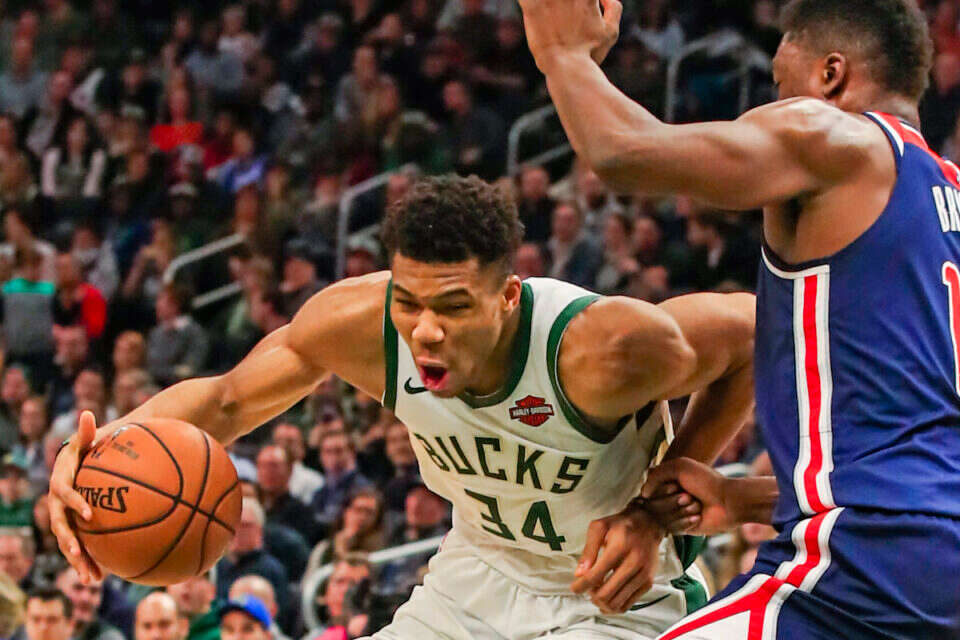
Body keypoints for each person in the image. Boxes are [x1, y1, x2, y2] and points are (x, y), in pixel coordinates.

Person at [50, 175, 755, 638]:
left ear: (508, 297)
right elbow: (226, 400)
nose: (425, 331)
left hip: (613, 601)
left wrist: (660, 504)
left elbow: (759, 334)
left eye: (454, 307)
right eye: (409, 302)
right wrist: (89, 453)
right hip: (477, 575)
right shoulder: (360, 326)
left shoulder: (602, 348)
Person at [518, 0, 960, 636]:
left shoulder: (836, 137)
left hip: (860, 560)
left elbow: (621, 150)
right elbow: (914, 465)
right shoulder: (947, 200)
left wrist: (562, 53)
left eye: (779, 84)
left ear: (830, 76)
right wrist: (737, 498)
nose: (773, 106)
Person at [53, 567, 123, 640]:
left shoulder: (109, 637)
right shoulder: (45, 630)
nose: (86, 598)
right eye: (78, 588)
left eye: (94, 591)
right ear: (58, 587)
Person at [271, 423, 323, 505]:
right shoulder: (262, 476)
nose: (284, 446)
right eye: (279, 441)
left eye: (290, 442)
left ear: (301, 447)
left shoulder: (313, 480)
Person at [166, 576, 218, 640]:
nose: (187, 583)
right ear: (167, 587)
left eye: (197, 577)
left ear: (212, 590)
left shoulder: (222, 634)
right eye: (179, 575)